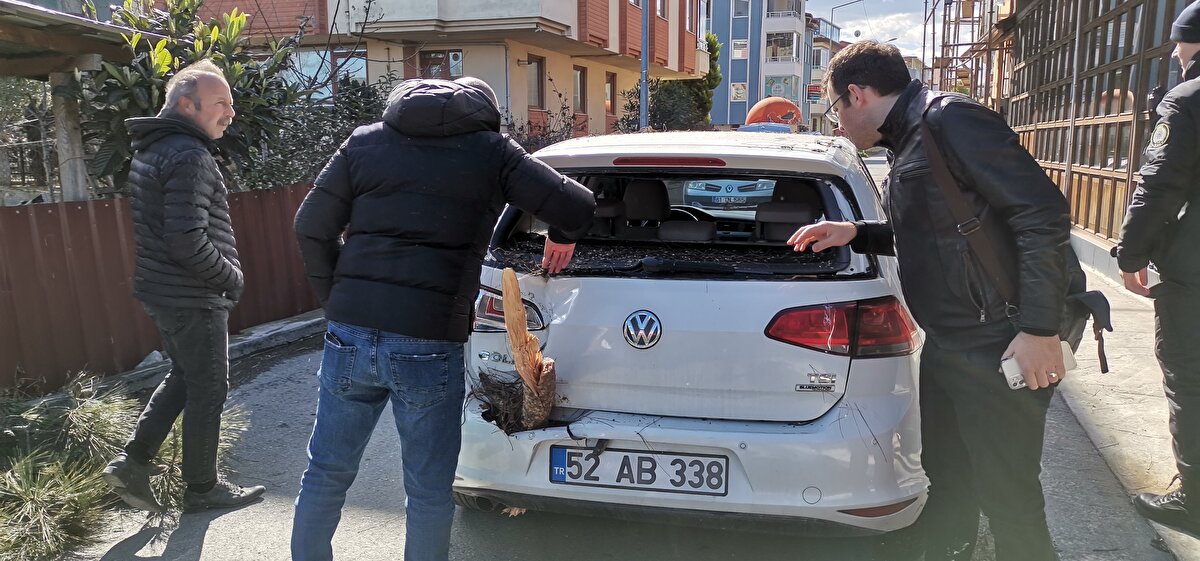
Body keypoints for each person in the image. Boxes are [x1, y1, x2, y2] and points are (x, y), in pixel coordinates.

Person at [290, 77, 596, 561]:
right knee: (428, 490)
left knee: (325, 472)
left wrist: (338, 301)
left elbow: (309, 226)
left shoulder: (365, 142)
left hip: (349, 333)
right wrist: (561, 234)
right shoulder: (492, 152)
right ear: (485, 112)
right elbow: (576, 205)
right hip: (428, 340)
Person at [787, 41, 1072, 561]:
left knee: (1008, 494)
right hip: (949, 342)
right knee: (948, 474)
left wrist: (1038, 329)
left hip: (999, 341)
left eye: (835, 110)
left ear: (857, 93)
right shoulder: (909, 138)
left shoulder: (950, 121)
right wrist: (855, 232)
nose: (838, 125)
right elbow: (934, 231)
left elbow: (1042, 216)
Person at [102, 59, 266, 513]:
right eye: (221, 103)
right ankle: (201, 489)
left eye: (231, 103)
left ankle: (131, 463)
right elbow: (186, 239)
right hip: (190, 295)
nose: (230, 112)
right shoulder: (189, 155)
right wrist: (231, 279)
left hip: (164, 293)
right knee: (209, 388)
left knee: (186, 376)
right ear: (187, 105)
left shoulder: (155, 149)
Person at [1113, 1, 1200, 536]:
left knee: (1190, 382)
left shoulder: (1187, 100)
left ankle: (1193, 498)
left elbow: (1159, 187)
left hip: (1194, 278)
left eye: (1181, 41)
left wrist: (1130, 254)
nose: (1174, 52)